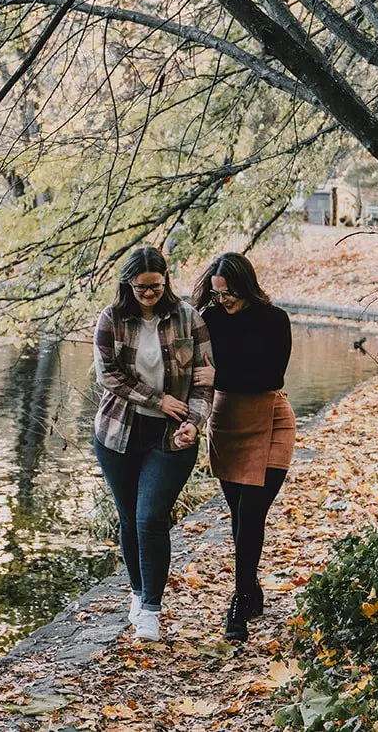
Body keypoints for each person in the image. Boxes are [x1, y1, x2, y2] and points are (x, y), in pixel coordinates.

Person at [91, 245, 215, 641]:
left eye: (156, 286)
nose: (150, 294)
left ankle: (151, 610)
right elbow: (107, 375)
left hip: (171, 436)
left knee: (151, 518)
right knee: (128, 519)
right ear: (128, 284)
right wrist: (158, 398)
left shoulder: (189, 318)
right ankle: (138, 590)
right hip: (118, 434)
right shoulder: (111, 319)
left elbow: (204, 378)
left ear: (166, 281)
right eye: (142, 288)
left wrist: (194, 423)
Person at [191, 251, 294, 643]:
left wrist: (221, 375)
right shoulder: (210, 320)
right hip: (227, 422)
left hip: (270, 419)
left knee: (251, 512)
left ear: (246, 286)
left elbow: (271, 375)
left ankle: (238, 602)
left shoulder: (274, 319)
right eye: (217, 295)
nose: (223, 301)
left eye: (229, 293)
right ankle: (251, 589)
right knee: (238, 516)